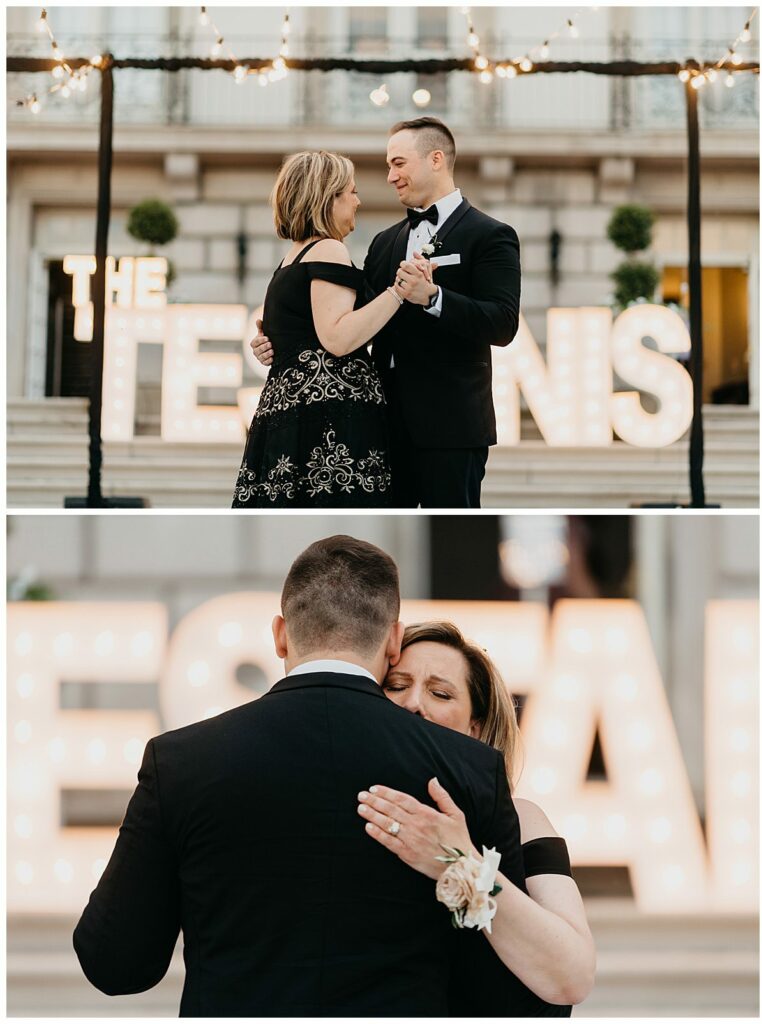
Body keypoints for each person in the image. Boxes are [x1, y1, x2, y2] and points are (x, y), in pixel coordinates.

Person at [73, 535, 532, 1016]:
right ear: (394, 641)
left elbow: (115, 962)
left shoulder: (182, 760)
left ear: (280, 633)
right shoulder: (470, 769)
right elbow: (505, 988)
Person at [252, 117, 521, 508]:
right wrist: (280, 337)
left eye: (398, 163)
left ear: (435, 159)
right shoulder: (383, 242)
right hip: (375, 423)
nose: (390, 176)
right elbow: (346, 317)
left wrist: (433, 297)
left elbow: (503, 323)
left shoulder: (490, 234)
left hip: (450, 425)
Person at [358, 621, 596, 1014]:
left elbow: (572, 975)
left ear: (476, 728)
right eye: (396, 685)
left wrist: (461, 865)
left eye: (440, 692)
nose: (414, 702)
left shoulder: (524, 821)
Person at [231, 152, 406, 508]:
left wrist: (267, 344)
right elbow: (338, 338)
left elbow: (295, 335)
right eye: (352, 192)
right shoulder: (328, 249)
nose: (358, 201)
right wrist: (399, 292)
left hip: (289, 414)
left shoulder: (289, 259)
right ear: (329, 198)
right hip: (329, 421)